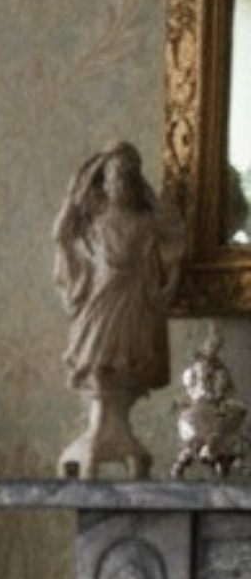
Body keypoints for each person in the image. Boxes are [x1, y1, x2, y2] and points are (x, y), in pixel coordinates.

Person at [52, 142, 186, 479]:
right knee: (96, 363)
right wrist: (77, 190)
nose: (121, 184)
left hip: (132, 306)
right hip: (99, 303)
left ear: (136, 181)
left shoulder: (145, 223)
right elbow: (62, 234)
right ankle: (103, 432)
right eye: (114, 177)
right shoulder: (93, 223)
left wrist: (168, 278)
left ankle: (112, 432)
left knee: (127, 363)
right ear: (104, 182)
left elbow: (173, 240)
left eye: (128, 177)